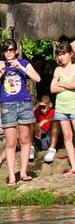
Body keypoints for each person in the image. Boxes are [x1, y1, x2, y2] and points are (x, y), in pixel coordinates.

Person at [0, 39, 41, 184]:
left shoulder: (23, 62)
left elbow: (37, 78)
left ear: (16, 51)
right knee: (10, 142)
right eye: (6, 50)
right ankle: (12, 176)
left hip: (24, 103)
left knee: (25, 139)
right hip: (8, 105)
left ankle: (23, 172)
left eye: (11, 50)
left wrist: (21, 68)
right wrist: (1, 72)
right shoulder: (0, 65)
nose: (9, 53)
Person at [49, 37, 75, 176]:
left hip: (74, 106)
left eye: (64, 53)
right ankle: (73, 167)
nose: (61, 56)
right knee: (67, 137)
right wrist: (68, 86)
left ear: (70, 54)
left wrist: (61, 84)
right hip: (62, 108)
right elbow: (52, 89)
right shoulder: (58, 70)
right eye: (59, 54)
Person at [34, 94, 59, 162]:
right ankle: (34, 148)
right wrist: (36, 107)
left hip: (50, 136)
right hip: (41, 136)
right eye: (41, 107)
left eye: (44, 107)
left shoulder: (54, 111)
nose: (42, 109)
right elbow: (29, 116)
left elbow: (59, 117)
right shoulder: (38, 111)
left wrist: (45, 121)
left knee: (56, 122)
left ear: (50, 105)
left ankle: (52, 149)